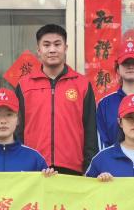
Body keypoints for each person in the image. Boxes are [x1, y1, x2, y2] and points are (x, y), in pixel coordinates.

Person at [14, 24, 97, 175]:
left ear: (65, 48)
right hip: (33, 167)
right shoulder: (24, 85)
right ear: (38, 50)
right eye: (46, 45)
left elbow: (90, 130)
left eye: (57, 44)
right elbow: (17, 130)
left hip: (72, 168)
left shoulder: (82, 84)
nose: (52, 50)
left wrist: (89, 168)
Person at [95, 39, 134, 150]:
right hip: (112, 161)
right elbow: (102, 143)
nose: (130, 66)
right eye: (125, 62)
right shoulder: (105, 104)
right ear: (118, 68)